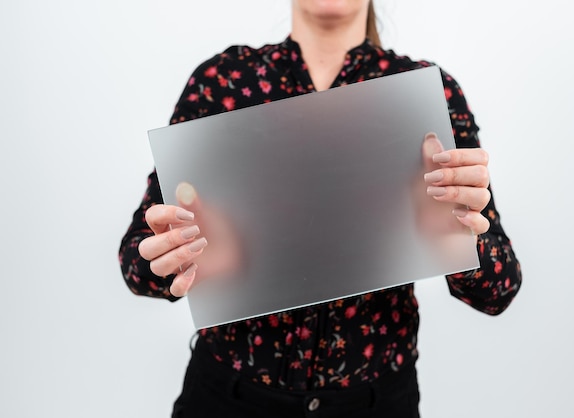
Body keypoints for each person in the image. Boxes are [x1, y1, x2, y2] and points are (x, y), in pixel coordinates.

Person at [119, 1, 522, 417]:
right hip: (227, 397)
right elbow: (136, 260)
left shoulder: (425, 94)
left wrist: (460, 232)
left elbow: (499, 289)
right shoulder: (221, 81)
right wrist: (166, 257)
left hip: (374, 402)